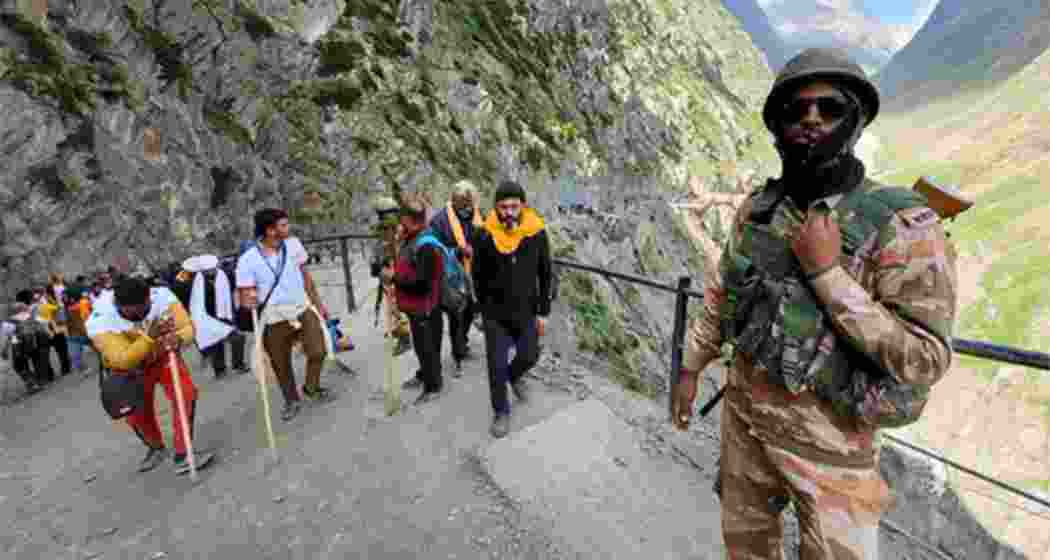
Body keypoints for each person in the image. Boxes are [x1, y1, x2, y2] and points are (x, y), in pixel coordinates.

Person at [671, 48, 958, 559]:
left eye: (828, 109)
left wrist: (828, 275)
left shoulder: (901, 228)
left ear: (855, 122)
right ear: (776, 126)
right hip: (746, 424)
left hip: (835, 454)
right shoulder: (759, 211)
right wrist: (691, 367)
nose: (810, 120)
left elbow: (924, 357)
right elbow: (722, 293)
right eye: (795, 110)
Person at [87, 276, 214, 474]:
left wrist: (178, 338)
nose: (141, 313)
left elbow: (187, 326)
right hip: (129, 370)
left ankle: (184, 453)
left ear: (149, 298)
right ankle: (155, 447)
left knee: (185, 395)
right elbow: (123, 359)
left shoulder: (162, 296)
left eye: (145, 307)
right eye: (134, 311)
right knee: (137, 413)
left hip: (163, 356)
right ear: (119, 306)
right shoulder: (99, 320)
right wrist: (149, 337)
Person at [472, 180, 553, 438]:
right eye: (503, 207)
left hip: (527, 311)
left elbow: (546, 273)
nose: (508, 212)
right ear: (495, 207)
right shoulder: (484, 235)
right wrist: (481, 310)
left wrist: (543, 312)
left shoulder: (536, 233)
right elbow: (478, 276)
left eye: (514, 206)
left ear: (523, 206)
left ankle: (514, 376)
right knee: (495, 365)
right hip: (495, 314)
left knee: (529, 355)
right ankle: (501, 411)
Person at [236, 208, 331, 422]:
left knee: (318, 351)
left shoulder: (294, 245)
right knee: (281, 364)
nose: (288, 228)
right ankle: (291, 400)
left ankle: (311, 386)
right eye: (283, 225)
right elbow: (243, 295)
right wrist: (247, 299)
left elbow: (305, 277)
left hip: (302, 308)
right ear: (270, 231)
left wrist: (319, 304)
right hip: (273, 317)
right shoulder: (248, 260)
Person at [386, 194, 445, 404]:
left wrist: (394, 278)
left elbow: (422, 284)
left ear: (411, 220)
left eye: (402, 220)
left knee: (426, 348)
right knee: (425, 347)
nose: (400, 224)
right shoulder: (412, 238)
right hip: (417, 308)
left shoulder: (426, 244)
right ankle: (426, 375)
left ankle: (433, 387)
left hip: (425, 308)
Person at [428, 180, 484, 376]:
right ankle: (458, 354)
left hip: (474, 274)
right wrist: (457, 251)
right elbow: (433, 249)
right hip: (451, 277)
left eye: (470, 205)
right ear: (454, 202)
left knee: (470, 311)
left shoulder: (477, 216)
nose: (468, 209)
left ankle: (462, 343)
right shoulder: (439, 221)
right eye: (463, 205)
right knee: (456, 314)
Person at [180, 255, 247, 379]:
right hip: (208, 317)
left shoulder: (225, 275)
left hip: (225, 315)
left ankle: (238, 365)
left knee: (238, 338)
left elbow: (235, 288)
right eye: (210, 269)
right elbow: (188, 296)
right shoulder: (195, 282)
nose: (214, 270)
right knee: (215, 343)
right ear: (204, 271)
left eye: (215, 268)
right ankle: (220, 370)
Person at [370, 195, 413, 357]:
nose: (386, 217)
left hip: (398, 271)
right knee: (392, 304)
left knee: (397, 304)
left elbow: (399, 250)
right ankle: (399, 330)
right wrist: (376, 265)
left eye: (388, 213)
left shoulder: (401, 230)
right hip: (388, 272)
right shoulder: (383, 231)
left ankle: (404, 337)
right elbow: (378, 250)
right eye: (383, 214)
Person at [4, 290, 54, 391]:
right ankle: (39, 381)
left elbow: (9, 335)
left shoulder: (10, 320)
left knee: (19, 365)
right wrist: (49, 334)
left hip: (19, 344)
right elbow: (43, 324)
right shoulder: (31, 316)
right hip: (36, 341)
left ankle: (31, 383)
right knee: (38, 361)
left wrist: (4, 349)